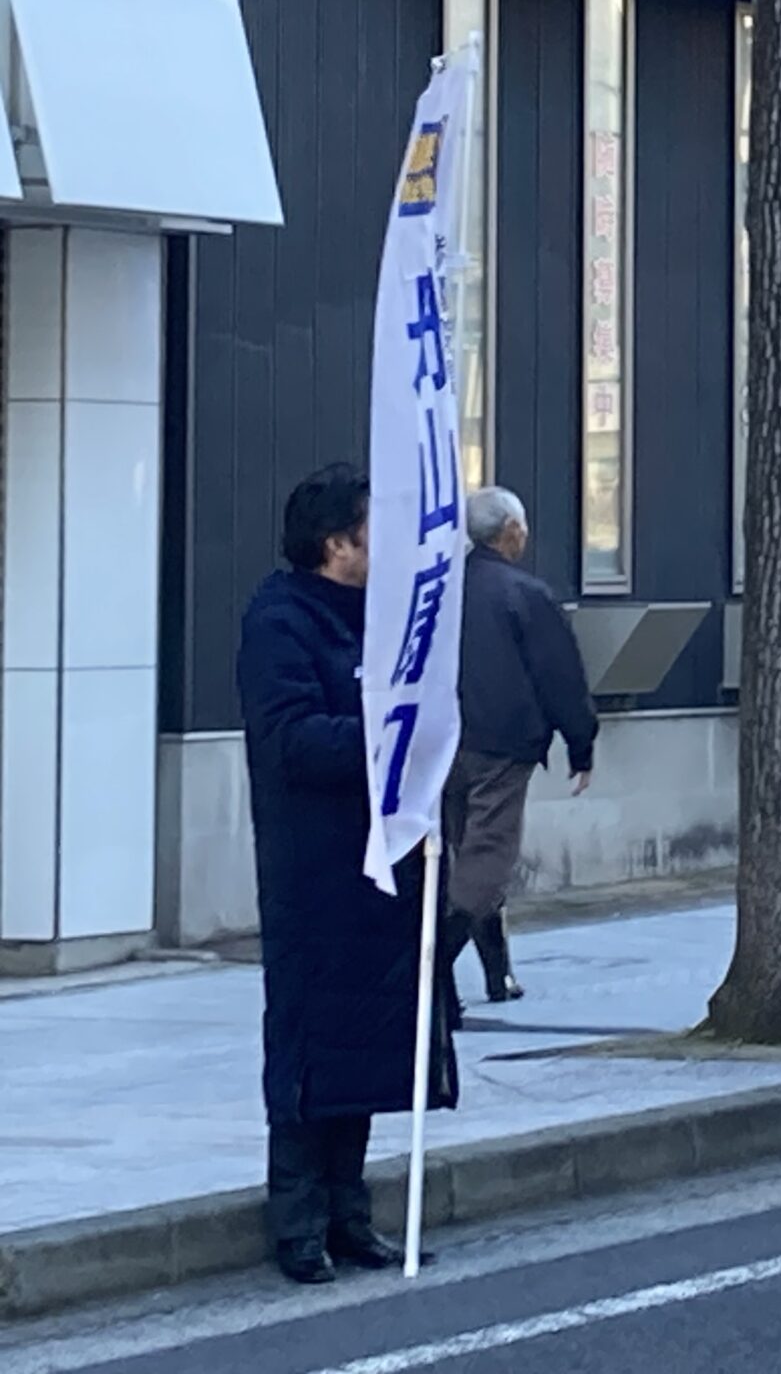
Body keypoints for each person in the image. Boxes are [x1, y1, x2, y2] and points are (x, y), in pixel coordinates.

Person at [237, 464, 457, 1285]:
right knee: (308, 1041)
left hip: (382, 862)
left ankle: (351, 1214)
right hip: (312, 866)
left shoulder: (383, 617)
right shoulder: (280, 619)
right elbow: (289, 738)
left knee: (367, 1041)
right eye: (374, 530)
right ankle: (296, 1222)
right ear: (337, 543)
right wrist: (386, 739)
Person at [441, 487, 597, 1008]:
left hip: (443, 743)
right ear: (509, 530)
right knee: (488, 859)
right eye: (522, 527)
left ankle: (496, 975)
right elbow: (560, 676)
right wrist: (581, 743)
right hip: (502, 745)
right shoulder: (525, 594)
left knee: (463, 854)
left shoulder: (442, 589)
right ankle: (433, 970)